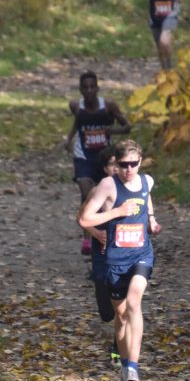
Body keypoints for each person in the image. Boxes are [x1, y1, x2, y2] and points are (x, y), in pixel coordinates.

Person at [78, 139, 161, 381]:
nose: (128, 170)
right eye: (123, 165)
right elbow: (84, 218)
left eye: (133, 164)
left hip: (141, 254)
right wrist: (116, 212)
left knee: (135, 302)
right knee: (121, 315)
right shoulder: (107, 185)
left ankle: (134, 367)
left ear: (140, 162)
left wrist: (152, 221)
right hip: (115, 259)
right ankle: (125, 367)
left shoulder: (147, 182)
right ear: (117, 162)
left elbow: (146, 202)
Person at [65, 70, 131, 255]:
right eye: (85, 87)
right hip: (83, 155)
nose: (89, 91)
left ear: (98, 88)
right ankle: (88, 237)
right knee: (86, 190)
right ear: (80, 90)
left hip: (104, 156)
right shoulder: (75, 105)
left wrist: (111, 131)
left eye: (92, 87)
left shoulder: (108, 105)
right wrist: (69, 139)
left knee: (104, 194)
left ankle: (107, 231)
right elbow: (78, 123)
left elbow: (127, 126)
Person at [79, 145, 120, 367]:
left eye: (119, 163)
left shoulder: (133, 190)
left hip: (127, 255)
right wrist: (97, 233)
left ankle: (118, 347)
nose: (117, 168)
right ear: (105, 168)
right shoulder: (98, 191)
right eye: (112, 164)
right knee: (106, 312)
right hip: (102, 254)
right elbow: (82, 218)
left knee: (123, 305)